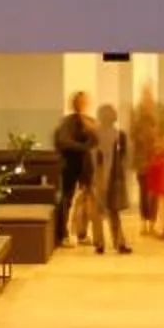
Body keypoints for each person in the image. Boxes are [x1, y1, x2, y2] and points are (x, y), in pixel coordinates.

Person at [50, 91, 95, 250]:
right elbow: (63, 142)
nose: (83, 104)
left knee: (85, 201)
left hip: (85, 167)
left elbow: (96, 140)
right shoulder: (67, 123)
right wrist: (83, 147)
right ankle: (63, 235)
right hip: (70, 166)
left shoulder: (90, 121)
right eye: (80, 101)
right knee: (67, 199)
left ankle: (82, 233)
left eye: (84, 101)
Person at [128, 85, 164, 238]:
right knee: (143, 190)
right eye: (144, 93)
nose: (147, 96)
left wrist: (161, 145)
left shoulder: (161, 110)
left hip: (156, 156)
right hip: (141, 157)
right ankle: (144, 221)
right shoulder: (136, 112)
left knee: (154, 191)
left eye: (149, 93)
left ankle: (152, 222)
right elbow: (132, 133)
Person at [92, 111, 133, 254]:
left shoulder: (96, 135)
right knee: (113, 210)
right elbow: (123, 157)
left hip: (100, 174)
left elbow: (92, 156)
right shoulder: (118, 135)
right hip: (112, 176)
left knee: (99, 211)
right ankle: (119, 243)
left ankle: (99, 243)